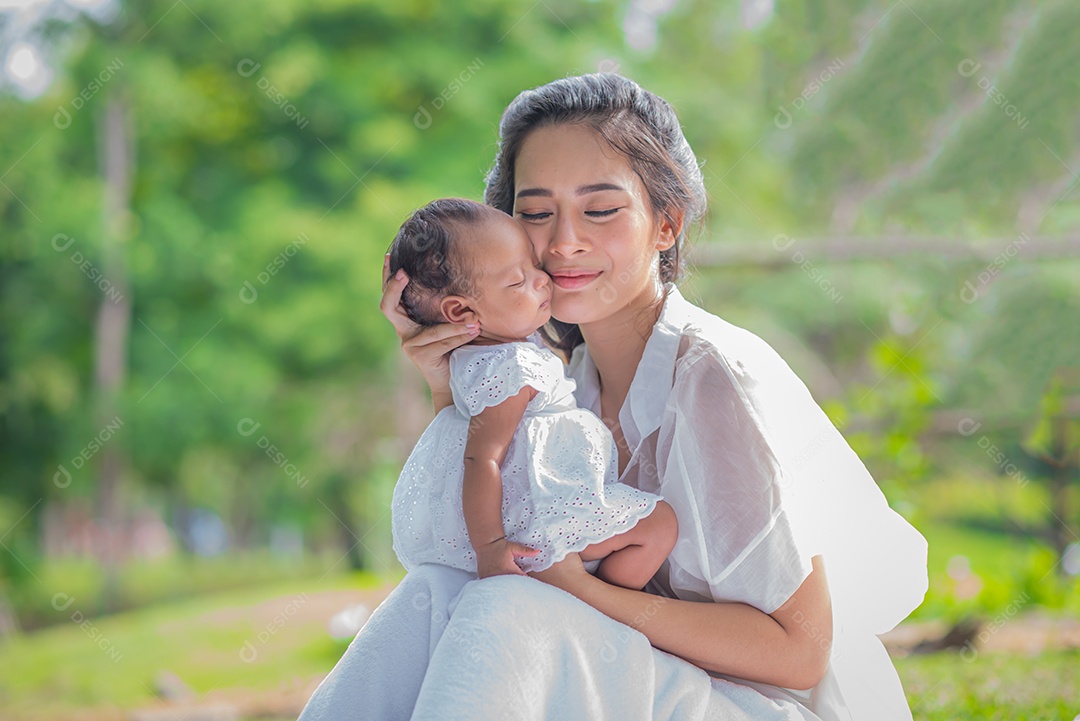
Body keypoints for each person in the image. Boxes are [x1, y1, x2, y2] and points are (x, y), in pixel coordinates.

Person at [299, 73, 927, 721]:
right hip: (645, 675)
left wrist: (574, 589)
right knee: (436, 589)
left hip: (763, 703)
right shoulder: (566, 380)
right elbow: (472, 539)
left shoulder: (711, 377)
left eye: (600, 209)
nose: (563, 240)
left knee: (511, 606)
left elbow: (801, 655)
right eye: (535, 212)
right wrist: (448, 383)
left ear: (666, 223)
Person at [386, 197, 678, 587]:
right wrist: (490, 547)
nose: (543, 280)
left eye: (535, 266)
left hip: (531, 511)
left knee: (653, 527)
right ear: (460, 312)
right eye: (518, 280)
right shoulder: (513, 367)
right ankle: (599, 607)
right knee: (657, 526)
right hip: (537, 515)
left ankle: (588, 601)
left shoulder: (477, 358)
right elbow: (480, 459)